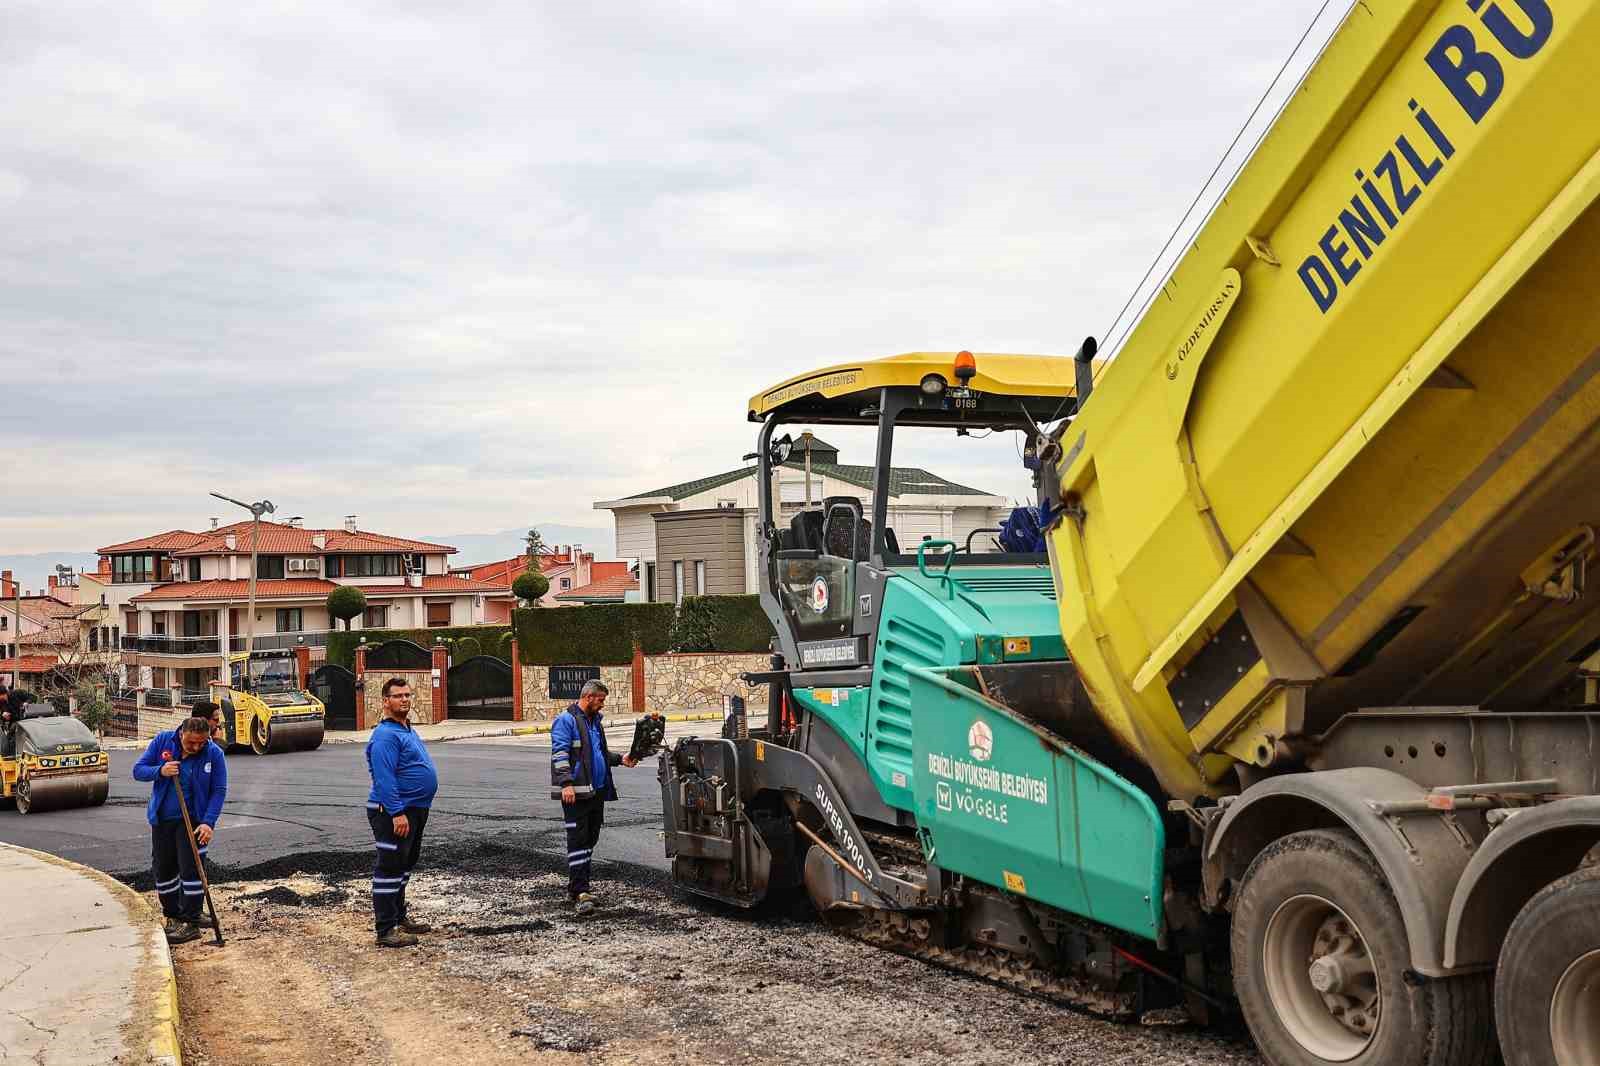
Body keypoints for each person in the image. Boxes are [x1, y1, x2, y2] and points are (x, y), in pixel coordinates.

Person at [131, 715, 227, 944]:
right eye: (191, 742)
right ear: (181, 733)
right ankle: (173, 915)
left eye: (201, 742)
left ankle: (192, 921)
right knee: (164, 869)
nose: (196, 747)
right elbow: (138, 770)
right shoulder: (163, 741)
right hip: (163, 819)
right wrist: (160, 771)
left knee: (191, 870)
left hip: (194, 822)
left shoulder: (214, 753)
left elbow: (219, 790)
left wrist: (208, 822)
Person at [551, 680, 637, 915]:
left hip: (596, 791)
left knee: (590, 839)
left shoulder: (594, 722)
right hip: (576, 793)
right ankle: (581, 891)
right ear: (589, 697)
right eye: (600, 700)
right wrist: (566, 784)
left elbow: (598, 753)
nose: (602, 704)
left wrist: (621, 759)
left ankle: (577, 886)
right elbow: (559, 754)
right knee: (578, 841)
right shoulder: (565, 721)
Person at [365, 677, 438, 947]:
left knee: (404, 866)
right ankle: (385, 929)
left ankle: (398, 917)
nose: (405, 699)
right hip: (393, 812)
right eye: (398, 696)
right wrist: (396, 813)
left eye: (407, 695)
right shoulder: (385, 736)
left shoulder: (406, 729)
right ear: (386, 701)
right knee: (389, 867)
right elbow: (384, 779)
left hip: (415, 809)